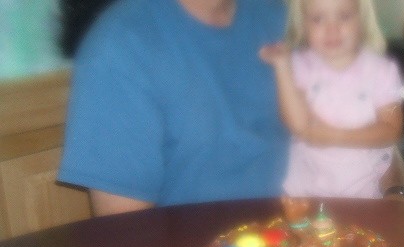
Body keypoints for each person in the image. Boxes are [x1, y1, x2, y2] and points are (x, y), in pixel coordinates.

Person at [57, 0, 289, 216]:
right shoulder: (120, 47)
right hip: (197, 245)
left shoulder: (282, 16)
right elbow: (126, 234)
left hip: (298, 231)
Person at [258, 0, 404, 199]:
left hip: (363, 191)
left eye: (343, 16)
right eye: (318, 19)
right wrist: (282, 66)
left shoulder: (381, 71)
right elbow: (298, 124)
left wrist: (334, 136)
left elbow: (392, 129)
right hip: (306, 191)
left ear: (361, 20)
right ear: (304, 25)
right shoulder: (300, 65)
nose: (332, 29)